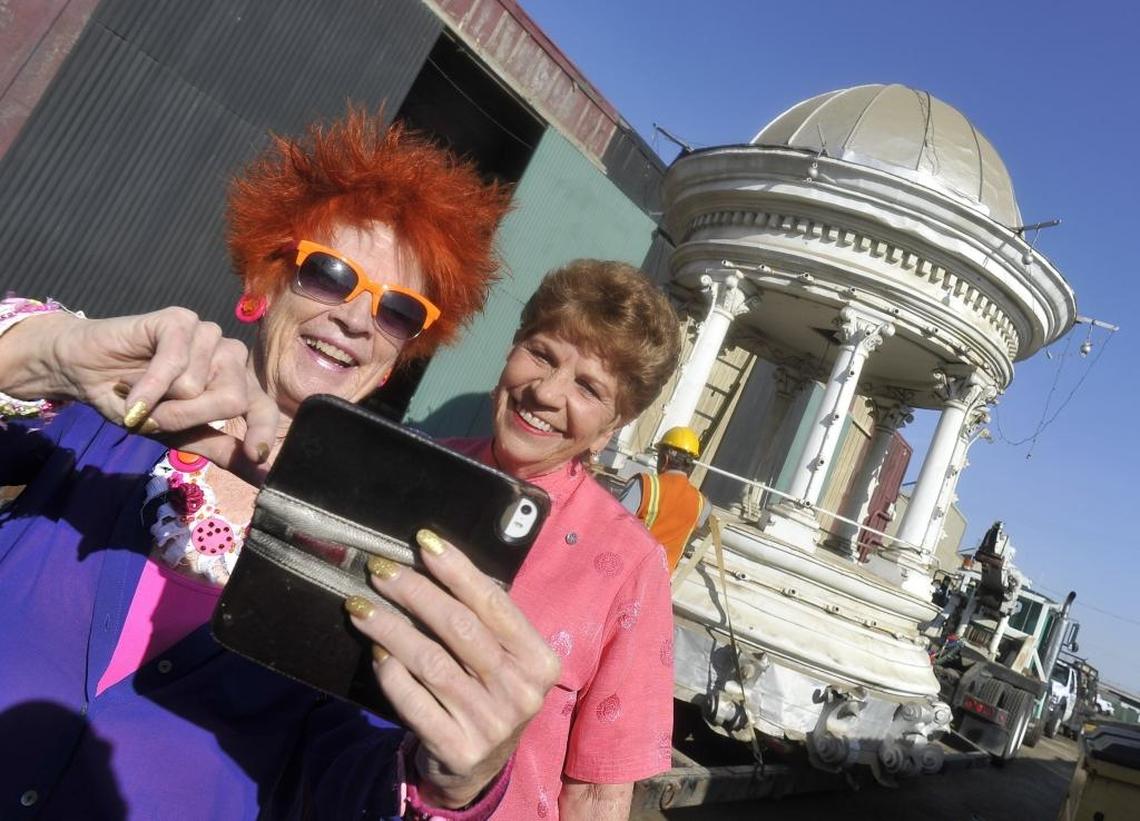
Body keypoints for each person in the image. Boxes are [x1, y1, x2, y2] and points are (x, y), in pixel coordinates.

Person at [0, 111, 559, 819]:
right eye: (329, 273)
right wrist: (42, 351)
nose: (358, 319)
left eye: (396, 311)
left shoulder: (378, 560)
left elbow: (354, 784)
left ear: (396, 358)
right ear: (266, 280)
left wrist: (454, 784)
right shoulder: (103, 413)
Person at [443, 259, 683, 819]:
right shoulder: (410, 466)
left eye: (588, 387)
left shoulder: (629, 565)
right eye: (541, 354)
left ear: (612, 425)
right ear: (511, 349)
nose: (546, 392)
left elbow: (597, 793)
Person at [618, 426, 711, 571]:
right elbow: (704, 517)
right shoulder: (701, 502)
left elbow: (615, 524)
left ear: (665, 459)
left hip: (629, 572)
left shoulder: (644, 485)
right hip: (660, 584)